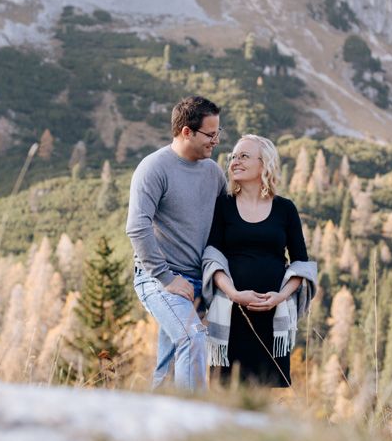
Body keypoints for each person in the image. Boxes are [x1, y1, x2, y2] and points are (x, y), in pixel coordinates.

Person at [126, 95, 228, 390]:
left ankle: (156, 428)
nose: (216, 141)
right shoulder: (154, 168)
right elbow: (136, 227)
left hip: (199, 283)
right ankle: (196, 421)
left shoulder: (213, 172)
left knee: (169, 366)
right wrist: (166, 278)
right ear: (187, 132)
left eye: (218, 133)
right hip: (158, 280)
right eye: (210, 134)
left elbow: (225, 225)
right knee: (192, 337)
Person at [202, 135, 317, 387]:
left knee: (267, 390)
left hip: (272, 314)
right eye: (233, 156)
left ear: (264, 163)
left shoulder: (285, 209)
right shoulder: (224, 206)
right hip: (231, 313)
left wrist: (280, 296)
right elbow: (212, 259)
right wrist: (234, 294)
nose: (234, 161)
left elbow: (301, 265)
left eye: (243, 156)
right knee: (226, 389)